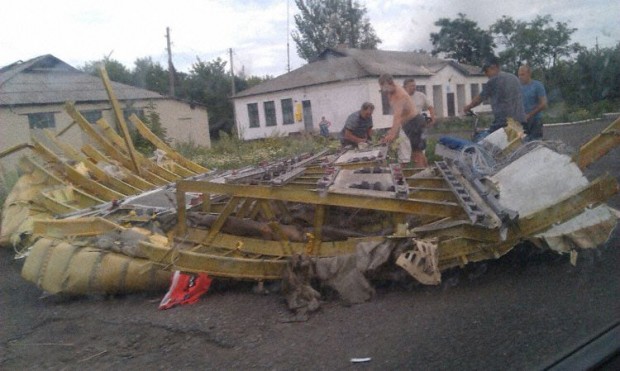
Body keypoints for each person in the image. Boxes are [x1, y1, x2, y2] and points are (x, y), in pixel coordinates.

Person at [463, 56, 526, 135]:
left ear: (494, 67)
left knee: (484, 141)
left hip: (504, 122)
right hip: (520, 121)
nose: (486, 74)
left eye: (486, 71)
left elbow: (479, 99)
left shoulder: (493, 80)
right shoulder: (514, 78)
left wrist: (468, 107)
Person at [378, 73, 429, 168]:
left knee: (417, 154)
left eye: (383, 86)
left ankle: (423, 176)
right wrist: (391, 131)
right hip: (407, 124)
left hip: (415, 123)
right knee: (417, 152)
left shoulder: (399, 95)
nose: (382, 89)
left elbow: (397, 116)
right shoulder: (391, 92)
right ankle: (427, 172)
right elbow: (396, 115)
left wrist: (392, 134)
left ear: (389, 83)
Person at [518, 64, 547, 140]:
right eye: (519, 75)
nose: (520, 77)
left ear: (529, 74)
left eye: (523, 74)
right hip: (521, 122)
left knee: (535, 143)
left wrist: (529, 115)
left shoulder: (538, 86)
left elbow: (543, 104)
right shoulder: (517, 87)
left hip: (535, 121)